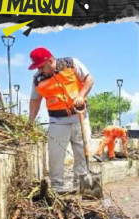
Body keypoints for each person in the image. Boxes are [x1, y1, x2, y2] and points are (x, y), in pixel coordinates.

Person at [27, 47, 94, 193]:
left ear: (50, 60)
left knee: (82, 153)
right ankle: (57, 187)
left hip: (80, 117)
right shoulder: (37, 79)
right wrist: (30, 123)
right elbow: (35, 102)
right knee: (55, 155)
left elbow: (89, 80)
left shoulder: (71, 63)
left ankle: (81, 186)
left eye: (41, 67)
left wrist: (81, 96)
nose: (39, 71)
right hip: (57, 120)